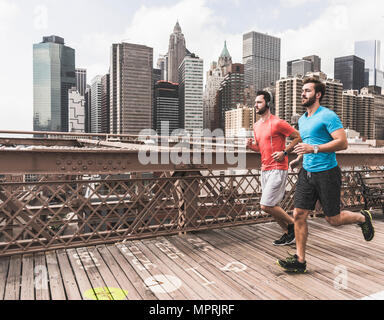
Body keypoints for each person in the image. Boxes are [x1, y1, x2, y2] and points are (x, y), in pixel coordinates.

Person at [277, 77, 375, 273]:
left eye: (307, 91)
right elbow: (307, 143)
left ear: (318, 94)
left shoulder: (328, 116)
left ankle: (362, 218)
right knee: (298, 214)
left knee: (333, 219)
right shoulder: (303, 119)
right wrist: (300, 160)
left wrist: (314, 148)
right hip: (307, 173)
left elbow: (342, 142)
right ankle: (300, 260)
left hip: (327, 173)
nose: (302, 94)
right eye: (302, 91)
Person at [247, 91, 302, 246]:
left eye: (259, 102)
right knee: (272, 205)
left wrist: (285, 152)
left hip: (278, 168)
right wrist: (251, 147)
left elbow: (298, 136)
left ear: (268, 104)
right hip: (265, 169)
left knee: (266, 205)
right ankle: (288, 233)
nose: (256, 105)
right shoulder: (256, 126)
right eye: (255, 103)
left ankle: (295, 226)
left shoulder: (277, 123)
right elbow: (261, 148)